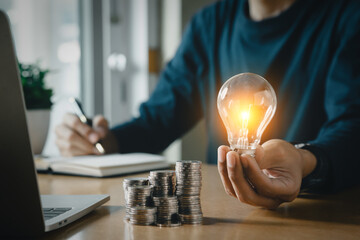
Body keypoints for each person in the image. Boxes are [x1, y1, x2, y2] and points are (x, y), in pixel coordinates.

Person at [55, 0, 360, 209]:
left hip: (324, 214)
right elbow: (159, 119)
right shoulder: (209, 24)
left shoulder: (348, 17)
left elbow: (353, 129)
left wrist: (303, 161)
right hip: (228, 213)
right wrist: (102, 141)